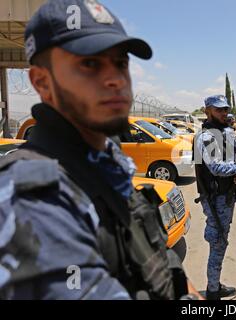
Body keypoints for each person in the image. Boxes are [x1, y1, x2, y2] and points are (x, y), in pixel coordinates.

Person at [0, 0, 200, 300]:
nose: (115, 79)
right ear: (41, 81)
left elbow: (158, 263)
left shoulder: (107, 165)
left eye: (121, 63)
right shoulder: (30, 196)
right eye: (89, 63)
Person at [193, 95, 236, 300]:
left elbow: (235, 151)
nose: (224, 113)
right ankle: (213, 291)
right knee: (218, 243)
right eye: (219, 110)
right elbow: (216, 167)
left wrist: (230, 132)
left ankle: (214, 285)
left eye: (225, 109)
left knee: (221, 240)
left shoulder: (222, 132)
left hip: (226, 195)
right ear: (207, 111)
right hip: (215, 199)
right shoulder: (206, 137)